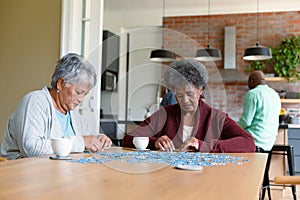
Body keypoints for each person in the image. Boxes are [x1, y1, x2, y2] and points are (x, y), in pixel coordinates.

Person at [122, 59, 256, 152]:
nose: (185, 100)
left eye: (190, 94)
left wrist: (202, 145)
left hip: (206, 180)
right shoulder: (165, 114)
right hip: (167, 179)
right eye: (179, 95)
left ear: (201, 90)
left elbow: (248, 143)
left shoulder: (216, 118)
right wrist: (154, 142)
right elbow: (129, 138)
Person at [0, 53, 112, 159]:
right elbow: (30, 148)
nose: (81, 99)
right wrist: (81, 142)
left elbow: (88, 137)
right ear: (60, 84)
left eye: (85, 94)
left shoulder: (72, 113)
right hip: (21, 173)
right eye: (78, 92)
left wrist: (99, 139)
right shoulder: (35, 102)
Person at [238, 70, 281, 151]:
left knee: (224, 143)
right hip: (269, 144)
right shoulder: (275, 94)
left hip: (254, 141)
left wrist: (231, 126)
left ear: (252, 81)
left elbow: (246, 122)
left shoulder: (253, 93)